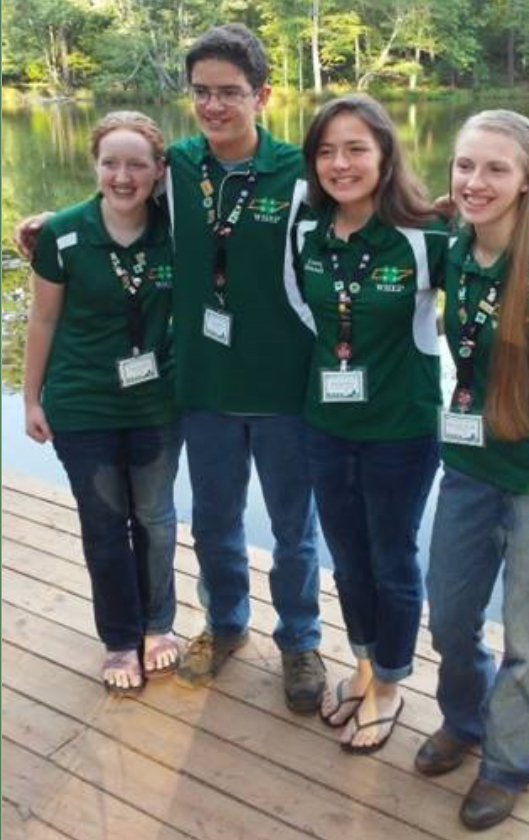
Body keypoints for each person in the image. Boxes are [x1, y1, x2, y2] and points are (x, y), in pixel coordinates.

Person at [18, 24, 325, 714]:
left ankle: (300, 641)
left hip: (284, 390)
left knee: (292, 531)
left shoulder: (298, 170)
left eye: (230, 93)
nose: (214, 106)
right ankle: (223, 626)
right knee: (213, 523)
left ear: (262, 95)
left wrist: (435, 218)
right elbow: (114, 201)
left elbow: (365, 214)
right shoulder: (179, 167)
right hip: (203, 390)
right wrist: (45, 224)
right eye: (202, 93)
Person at [414, 109, 529, 830]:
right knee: (451, 616)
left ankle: (508, 764)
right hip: (467, 464)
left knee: (528, 637)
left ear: (526, 181)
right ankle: (464, 722)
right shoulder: (457, 248)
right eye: (464, 166)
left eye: (495, 169)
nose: (475, 180)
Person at [288, 95, 447, 752]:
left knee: (391, 558)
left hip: (400, 433)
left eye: (355, 148)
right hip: (325, 425)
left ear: (385, 154)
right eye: (326, 151)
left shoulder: (428, 239)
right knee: (347, 560)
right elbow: (304, 314)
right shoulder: (305, 232)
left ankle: (389, 681)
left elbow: (509, 268)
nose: (339, 163)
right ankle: (360, 663)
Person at [23, 111, 183, 697]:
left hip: (157, 402)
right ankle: (120, 637)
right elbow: (42, 319)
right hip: (82, 403)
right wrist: (31, 400)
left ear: (158, 171)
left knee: (157, 520)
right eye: (110, 163)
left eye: (137, 163)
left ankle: (158, 624)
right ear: (94, 167)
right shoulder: (63, 234)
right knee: (104, 525)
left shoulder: (177, 229)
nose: (122, 175)